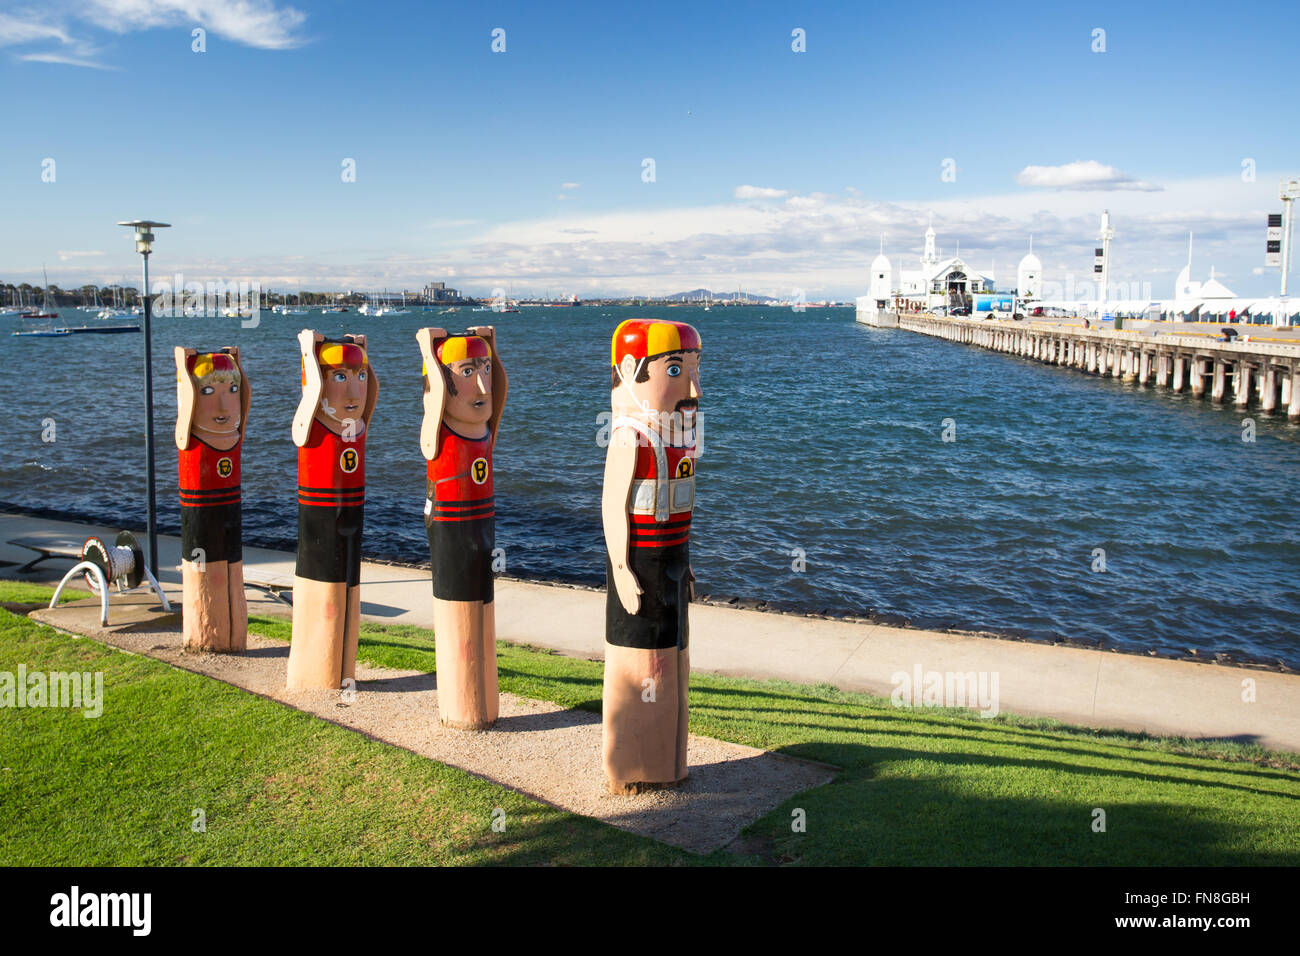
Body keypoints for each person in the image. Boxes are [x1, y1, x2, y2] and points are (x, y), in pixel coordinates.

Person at [602, 318, 702, 794]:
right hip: (639, 567)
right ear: (629, 370)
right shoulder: (629, 436)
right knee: (643, 664)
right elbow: (611, 505)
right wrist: (621, 568)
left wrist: (686, 562)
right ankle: (636, 767)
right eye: (677, 370)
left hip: (673, 563)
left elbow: (679, 503)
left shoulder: (680, 435)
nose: (693, 389)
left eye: (696, 369)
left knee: (676, 663)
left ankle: (671, 762)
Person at [415, 326, 508, 729]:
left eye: (485, 369)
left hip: (482, 528)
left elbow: (498, 390)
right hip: (451, 531)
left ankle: (484, 706)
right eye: (467, 371)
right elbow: (434, 389)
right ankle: (463, 709)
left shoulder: (486, 429)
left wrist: (493, 348)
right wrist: (428, 349)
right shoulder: (435, 434)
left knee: (484, 617)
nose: (482, 385)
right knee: (459, 623)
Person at [286, 331, 379, 690]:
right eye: (340, 376)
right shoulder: (312, 428)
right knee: (325, 602)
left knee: (350, 597)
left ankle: (343, 672)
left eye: (359, 376)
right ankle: (317, 676)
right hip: (320, 528)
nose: (354, 392)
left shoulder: (357, 428)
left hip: (352, 519)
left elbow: (368, 398)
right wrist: (309, 351)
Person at [174, 347, 249, 652]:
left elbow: (242, 400)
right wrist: (183, 362)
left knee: (233, 567)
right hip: (201, 520)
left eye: (232, 390)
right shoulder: (192, 439)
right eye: (207, 391)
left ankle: (233, 638)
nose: (223, 405)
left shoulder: (233, 436)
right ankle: (206, 638)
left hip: (230, 514)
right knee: (203, 571)